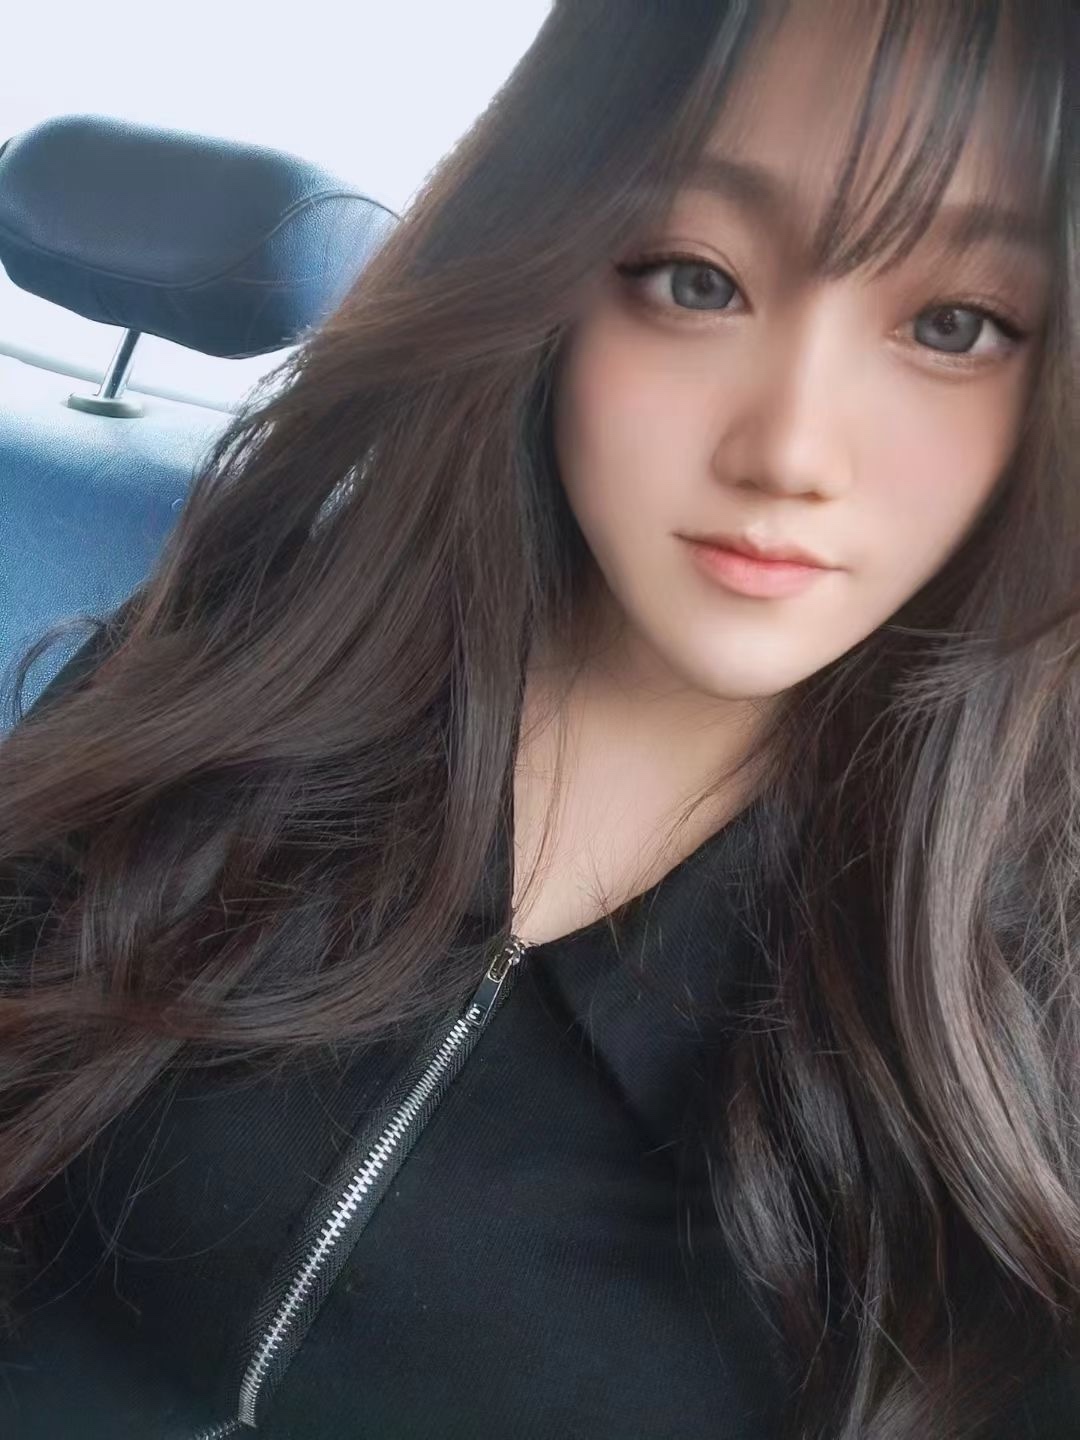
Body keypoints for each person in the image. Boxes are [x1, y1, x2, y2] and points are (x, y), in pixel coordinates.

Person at [1, 1, 1077, 1436]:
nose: (789, 450)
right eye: (695, 280)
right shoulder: (251, 656)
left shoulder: (1030, 986)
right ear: (553, 266)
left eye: (955, 327)